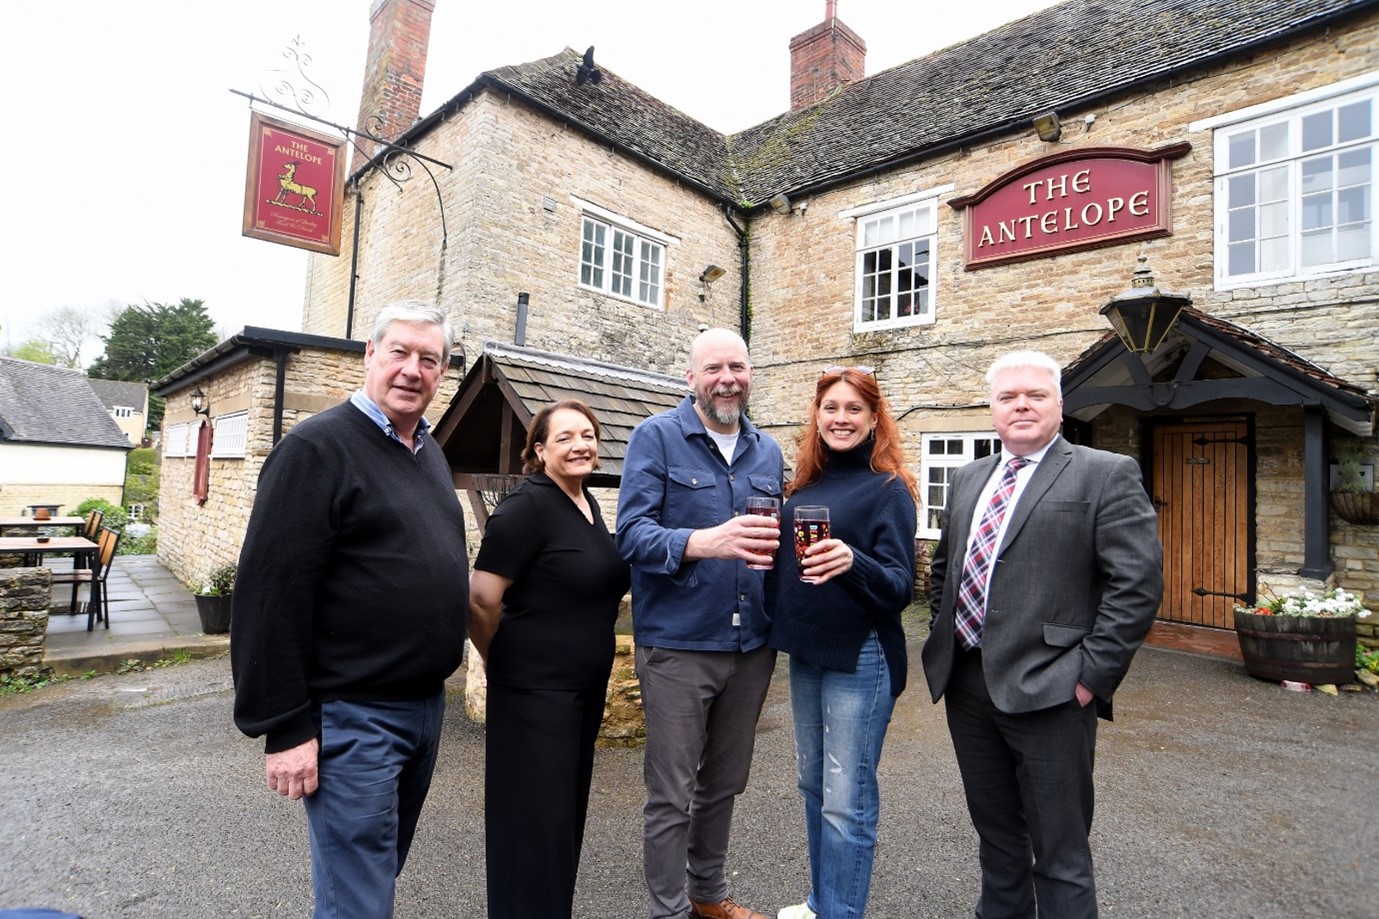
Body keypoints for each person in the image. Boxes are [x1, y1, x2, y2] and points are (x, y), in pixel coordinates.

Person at [231, 301, 469, 919]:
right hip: (355, 716)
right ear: (370, 354)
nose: (413, 370)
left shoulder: (429, 453)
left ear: (442, 372)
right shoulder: (316, 449)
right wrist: (284, 725)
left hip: (423, 711)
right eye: (400, 353)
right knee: (358, 896)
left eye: (429, 359)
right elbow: (270, 592)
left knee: (369, 877)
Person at [921, 350, 1164, 919]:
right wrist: (946, 633)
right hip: (969, 686)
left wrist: (1090, 678)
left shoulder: (1104, 473)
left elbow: (1137, 585)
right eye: (1008, 397)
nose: (1021, 405)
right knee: (998, 841)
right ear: (992, 408)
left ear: (1060, 403)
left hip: (1054, 691)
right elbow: (945, 569)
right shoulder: (968, 477)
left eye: (1035, 394)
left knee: (1061, 854)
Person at [616, 327, 784, 919]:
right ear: (691, 377)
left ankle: (708, 896)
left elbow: (778, 543)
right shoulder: (656, 438)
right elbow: (630, 535)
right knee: (672, 793)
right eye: (713, 368)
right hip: (680, 645)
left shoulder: (768, 450)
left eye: (736, 366)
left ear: (751, 372)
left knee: (725, 783)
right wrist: (702, 542)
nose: (726, 379)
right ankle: (669, 910)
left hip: (751, 644)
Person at [469, 399, 631, 919]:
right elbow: (480, 599)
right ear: (539, 450)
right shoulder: (526, 508)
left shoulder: (585, 503)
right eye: (564, 437)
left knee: (561, 822)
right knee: (533, 827)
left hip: (579, 688)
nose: (580, 444)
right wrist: (500, 659)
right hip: (534, 691)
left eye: (587, 434)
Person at [769, 367, 918, 919]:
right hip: (809, 649)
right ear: (817, 416)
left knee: (846, 800)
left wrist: (854, 562)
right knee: (814, 785)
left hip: (862, 654)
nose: (840, 418)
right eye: (830, 407)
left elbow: (900, 587)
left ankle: (840, 912)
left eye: (854, 409)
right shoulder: (805, 486)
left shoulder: (888, 489)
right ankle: (820, 902)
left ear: (875, 419)